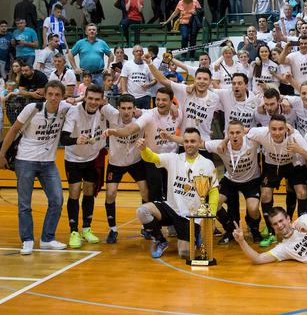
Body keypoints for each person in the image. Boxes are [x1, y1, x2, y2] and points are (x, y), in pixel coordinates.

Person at [0, 80, 70, 254]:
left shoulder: (65, 109)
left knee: (57, 200)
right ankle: (27, 240)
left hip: (48, 162)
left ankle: (47, 238)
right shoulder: (32, 109)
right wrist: (1, 155)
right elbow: (13, 130)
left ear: (62, 96)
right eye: (50, 94)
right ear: (44, 94)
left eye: (57, 95)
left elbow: (85, 104)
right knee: (24, 204)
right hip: (25, 160)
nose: (53, 98)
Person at [137, 127, 218, 258]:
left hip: (189, 216)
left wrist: (211, 216)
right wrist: (143, 149)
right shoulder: (173, 158)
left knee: (184, 254)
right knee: (142, 211)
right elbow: (151, 157)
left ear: (199, 142)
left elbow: (214, 191)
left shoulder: (207, 164)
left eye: (193, 141)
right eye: (186, 141)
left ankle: (195, 235)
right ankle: (161, 240)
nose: (189, 144)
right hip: (171, 208)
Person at [247, 114, 307, 247]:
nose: (277, 132)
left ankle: (301, 230)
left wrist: (299, 150)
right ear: (268, 128)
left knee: (302, 192)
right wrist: (224, 141)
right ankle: (271, 233)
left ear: (286, 129)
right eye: (273, 129)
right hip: (271, 165)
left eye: (281, 129)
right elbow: (243, 132)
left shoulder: (294, 136)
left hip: (293, 164)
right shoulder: (260, 133)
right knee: (265, 194)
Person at [59, 84, 108, 248]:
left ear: (101, 100)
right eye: (91, 98)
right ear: (85, 97)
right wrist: (76, 140)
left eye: (97, 99)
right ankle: (74, 231)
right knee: (74, 192)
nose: (93, 102)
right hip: (73, 158)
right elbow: (63, 139)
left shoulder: (103, 113)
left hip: (91, 157)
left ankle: (86, 229)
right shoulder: (74, 111)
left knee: (88, 192)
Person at [203, 120, 263, 243]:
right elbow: (199, 143)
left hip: (251, 180)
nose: (235, 135)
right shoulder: (221, 145)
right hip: (231, 180)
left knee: (253, 208)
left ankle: (254, 229)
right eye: (232, 133)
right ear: (227, 134)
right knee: (213, 204)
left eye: (238, 132)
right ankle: (230, 229)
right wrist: (171, 137)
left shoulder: (252, 141)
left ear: (243, 133)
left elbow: (269, 130)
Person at [101, 94, 149, 243]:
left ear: (135, 108)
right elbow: (100, 99)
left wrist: (173, 108)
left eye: (129, 108)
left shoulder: (142, 117)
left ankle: (146, 227)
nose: (126, 111)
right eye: (123, 108)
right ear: (118, 108)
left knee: (145, 191)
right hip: (115, 163)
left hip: (136, 161)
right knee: (110, 193)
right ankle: (113, 229)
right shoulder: (111, 114)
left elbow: (162, 109)